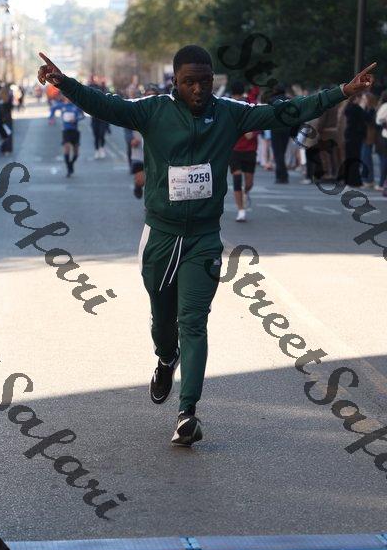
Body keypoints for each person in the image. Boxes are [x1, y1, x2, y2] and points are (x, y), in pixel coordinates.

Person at [38, 47, 376, 447]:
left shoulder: (230, 113)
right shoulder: (153, 111)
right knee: (163, 323)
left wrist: (342, 91)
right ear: (175, 82)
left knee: (194, 322)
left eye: (205, 81)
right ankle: (166, 358)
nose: (198, 89)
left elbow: (285, 113)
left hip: (203, 238)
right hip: (160, 237)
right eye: (189, 82)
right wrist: (64, 82)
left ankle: (187, 413)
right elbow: (103, 104)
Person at [228, 80, 259, 222]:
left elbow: (251, 134)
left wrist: (248, 128)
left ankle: (246, 192)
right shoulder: (227, 106)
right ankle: (241, 210)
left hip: (250, 149)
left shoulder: (251, 106)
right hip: (234, 149)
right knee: (236, 178)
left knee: (249, 183)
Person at [49, 95, 85, 177]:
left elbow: (82, 116)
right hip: (66, 131)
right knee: (67, 149)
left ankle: (71, 164)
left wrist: (76, 119)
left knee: (76, 153)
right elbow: (53, 108)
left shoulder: (76, 106)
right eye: (66, 96)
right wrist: (51, 117)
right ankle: (69, 169)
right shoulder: (62, 106)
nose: (68, 98)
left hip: (75, 131)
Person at [268, 84, 291, 183]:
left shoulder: (272, 100)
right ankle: (282, 174)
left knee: (278, 153)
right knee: (282, 152)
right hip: (286, 128)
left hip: (276, 129)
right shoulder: (289, 100)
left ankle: (281, 175)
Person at [343, 94, 367, 187]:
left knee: (349, 158)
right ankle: (355, 181)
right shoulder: (357, 109)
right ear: (356, 98)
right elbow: (366, 119)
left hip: (348, 135)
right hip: (356, 136)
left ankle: (349, 180)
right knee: (355, 159)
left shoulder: (348, 108)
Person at [375, 90, 387, 191]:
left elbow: (378, 120)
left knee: (384, 160)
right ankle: (382, 183)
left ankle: (382, 183)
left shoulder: (384, 106)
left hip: (383, 135)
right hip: (383, 135)